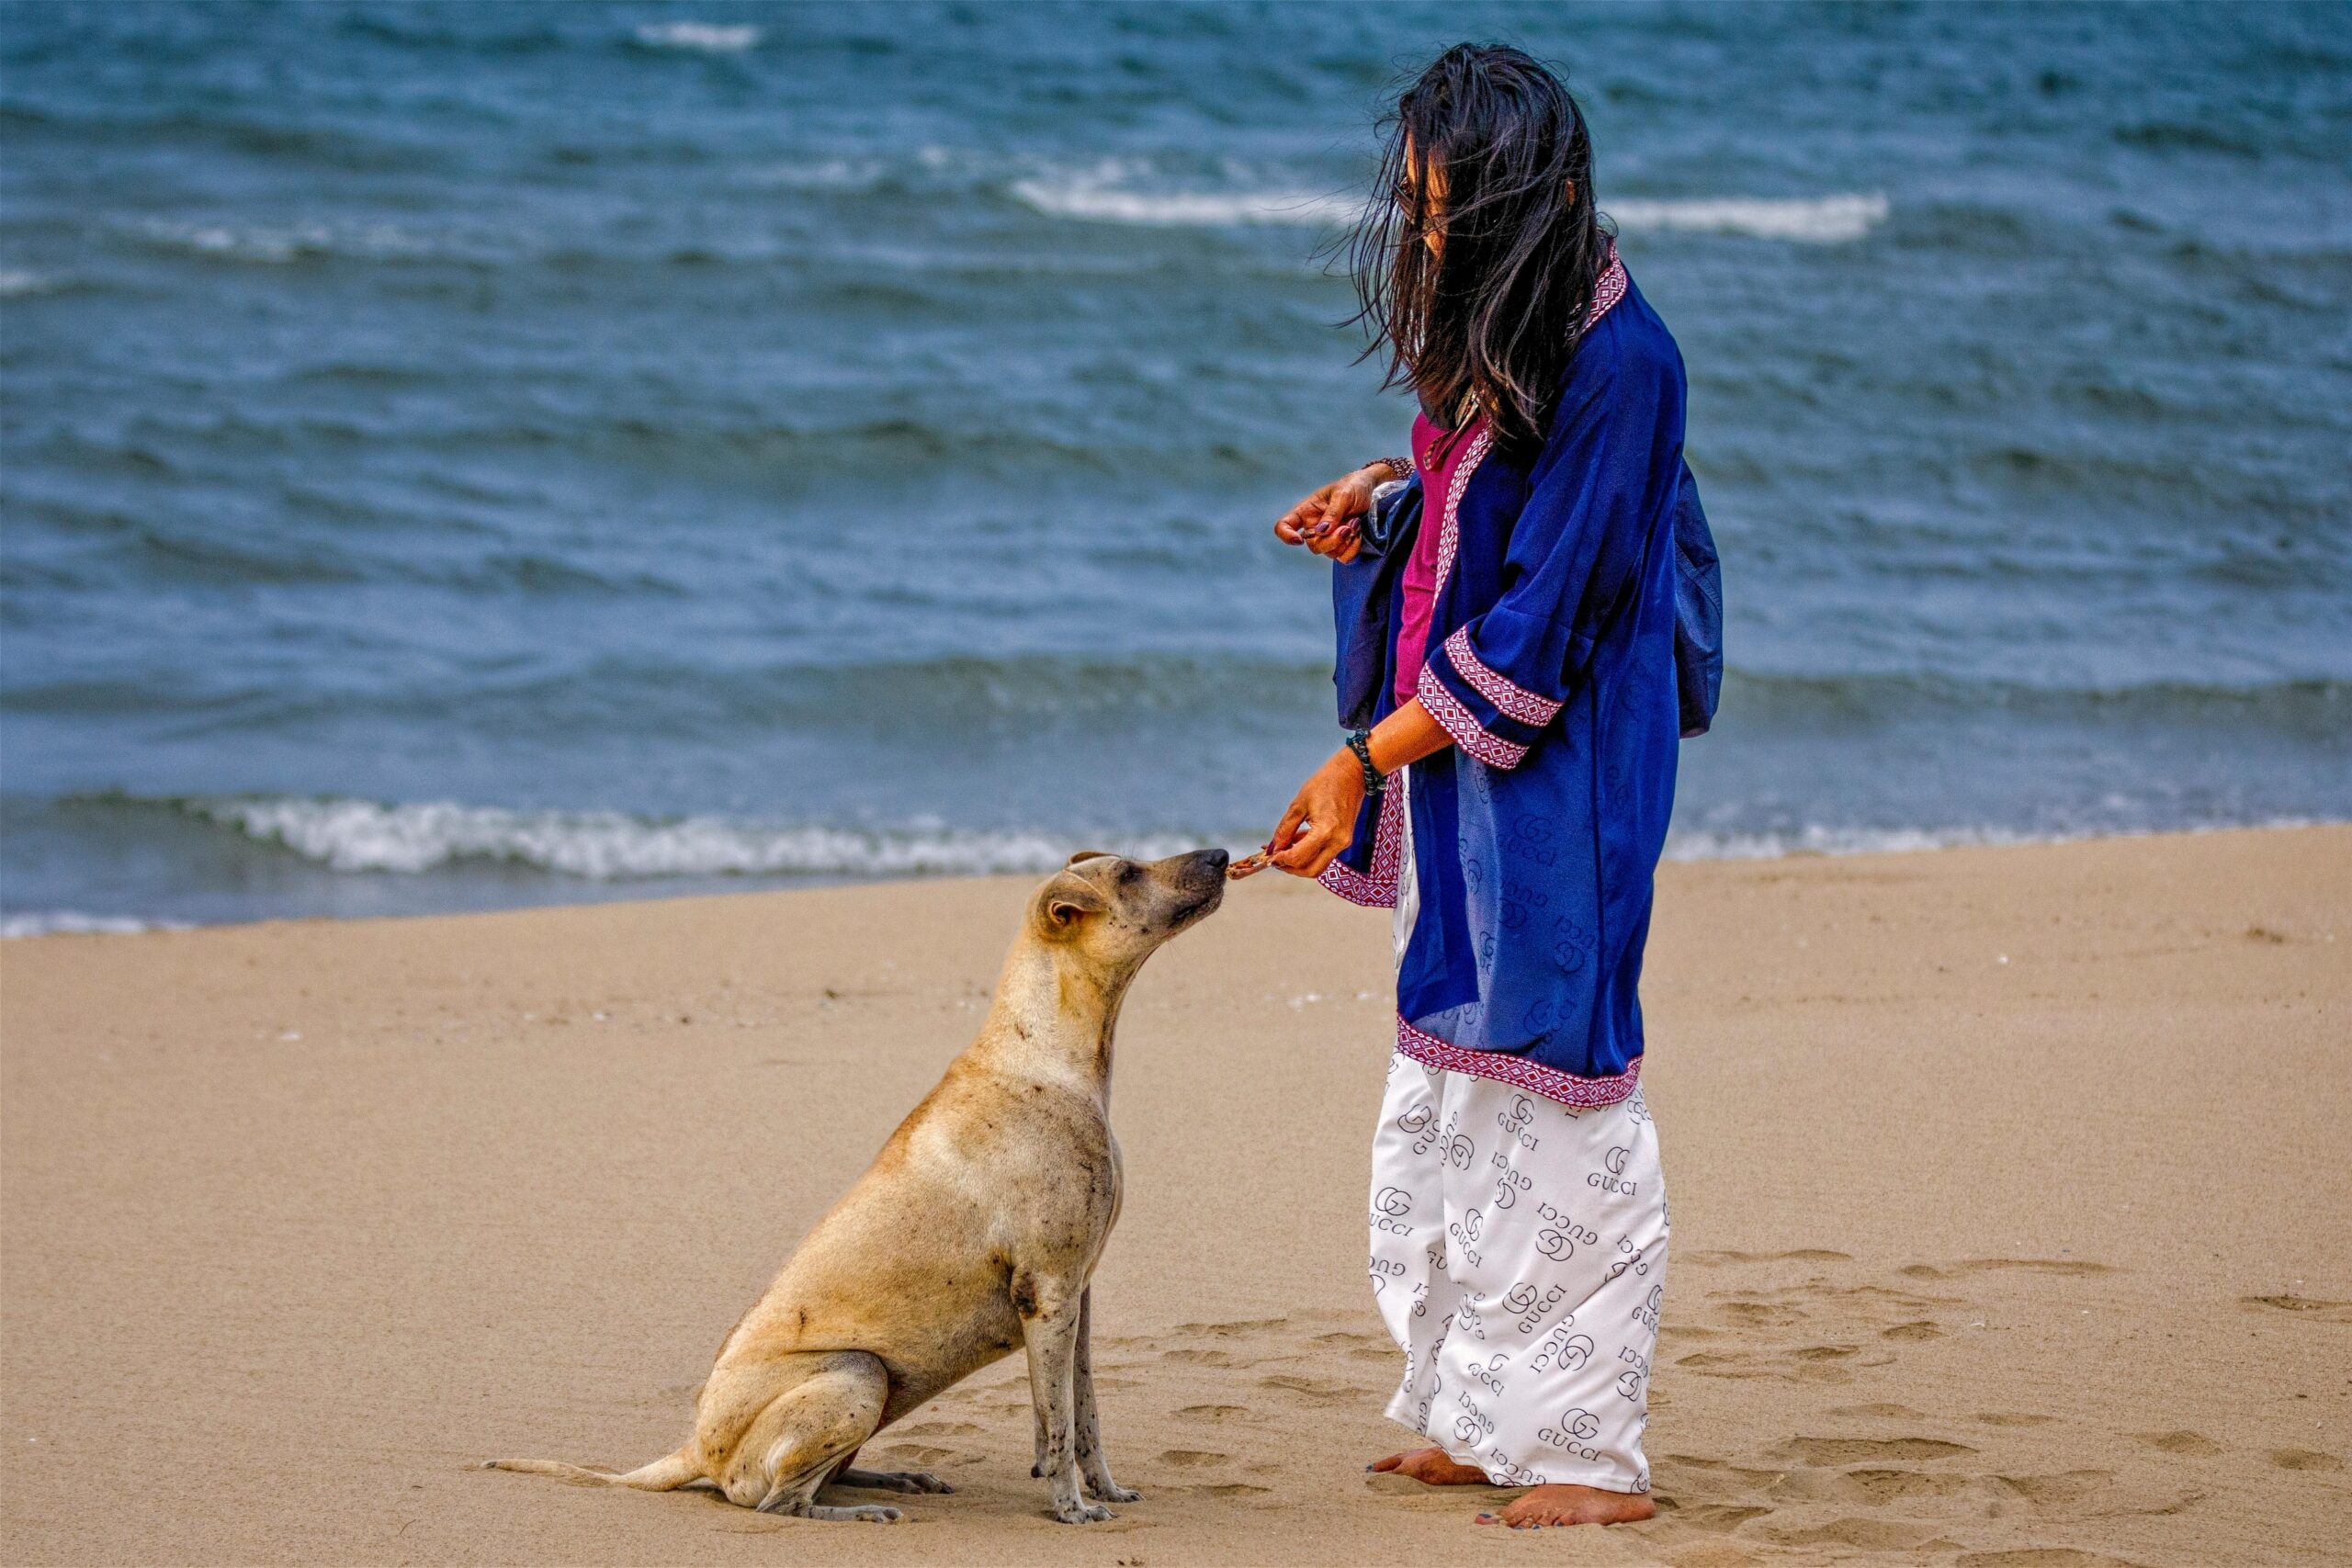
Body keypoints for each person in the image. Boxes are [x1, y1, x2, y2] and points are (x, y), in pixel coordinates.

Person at [1261, 43, 1710, 1530]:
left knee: (1562, 1086)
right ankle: (1475, 1413)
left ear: (1533, 200)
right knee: (1458, 1086)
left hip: (1562, 786)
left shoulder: (1626, 363)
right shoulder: (1519, 325)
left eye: (1451, 214)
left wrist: (1357, 756)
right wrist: (1386, 500)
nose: (1429, 240)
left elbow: (1546, 622)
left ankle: (1590, 1452)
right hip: (1468, 778)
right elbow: (1486, 512)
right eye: (1417, 210)